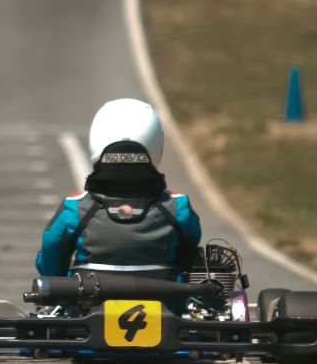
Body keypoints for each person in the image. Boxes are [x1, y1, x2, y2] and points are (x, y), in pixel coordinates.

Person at [36, 98, 201, 278]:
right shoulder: (177, 208)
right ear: (156, 144)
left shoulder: (76, 209)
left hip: (87, 303)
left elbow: (51, 256)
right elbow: (189, 254)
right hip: (168, 303)